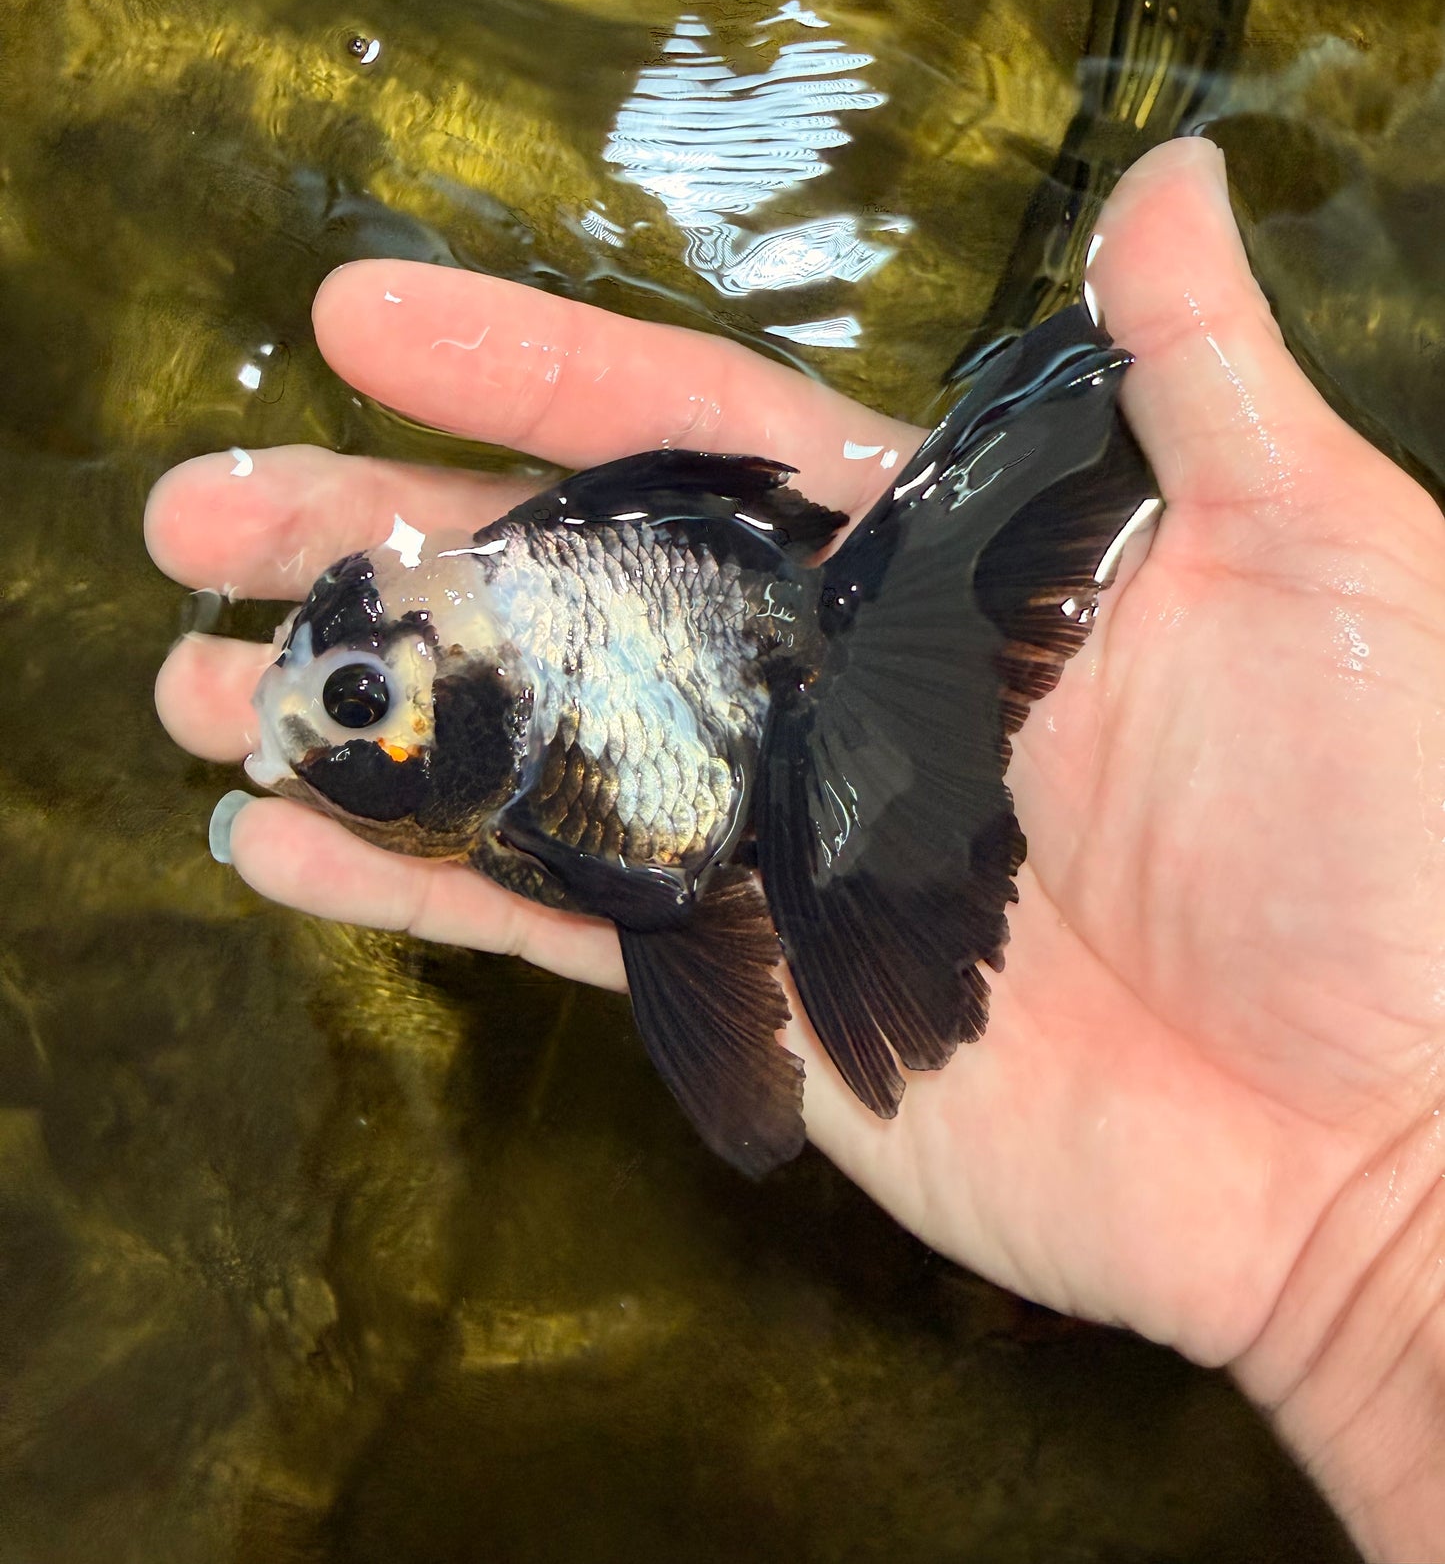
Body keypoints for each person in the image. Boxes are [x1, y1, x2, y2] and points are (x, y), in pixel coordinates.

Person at [146, 137, 1445, 1562]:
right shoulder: (509, 686)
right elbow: (663, 911)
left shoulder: (544, 693)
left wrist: (1392, 1221)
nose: (308, 734)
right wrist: (1377, 1258)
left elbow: (656, 893)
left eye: (351, 706)